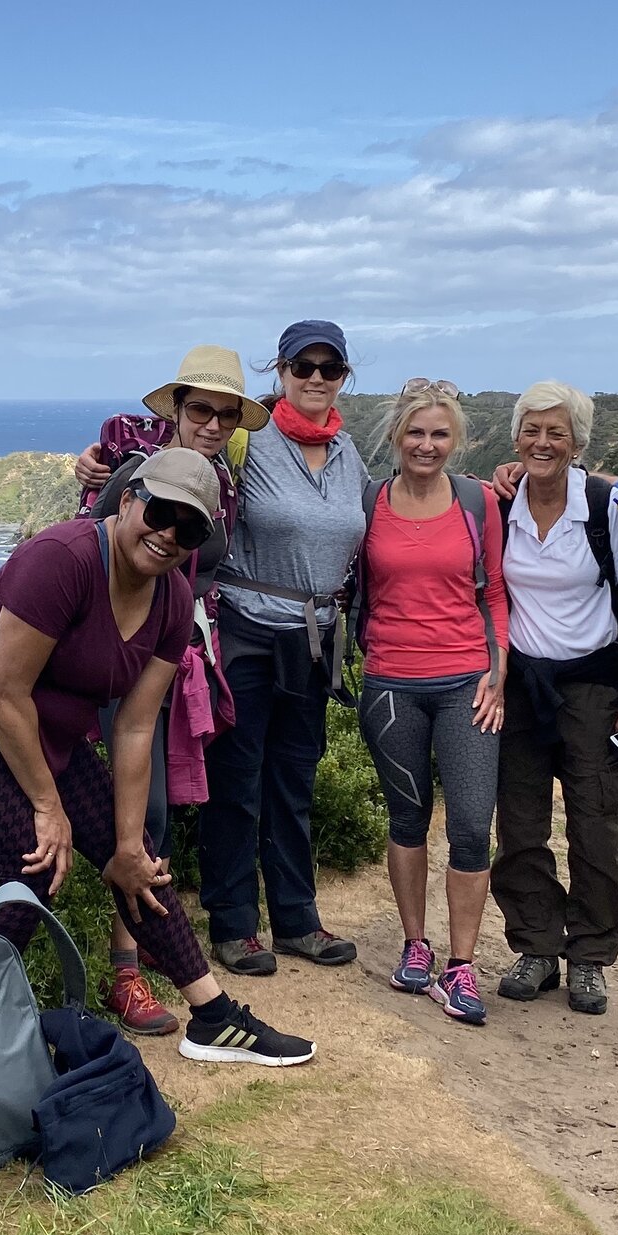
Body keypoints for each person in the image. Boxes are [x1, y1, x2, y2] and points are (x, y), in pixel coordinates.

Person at [0, 446, 315, 1067]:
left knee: (140, 863)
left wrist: (124, 848)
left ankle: (214, 1018)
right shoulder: (61, 560)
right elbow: (3, 694)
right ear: (128, 500)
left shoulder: (171, 602)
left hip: (43, 733)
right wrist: (47, 807)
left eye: (190, 527)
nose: (169, 534)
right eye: (161, 512)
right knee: (35, 859)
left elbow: (136, 730)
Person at [76, 345, 265, 1037]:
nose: (213, 423)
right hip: (114, 651)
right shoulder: (133, 458)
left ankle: (137, 952)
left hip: (173, 654)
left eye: (225, 414)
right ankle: (124, 970)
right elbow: (95, 527)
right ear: (178, 408)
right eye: (201, 409)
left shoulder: (224, 482)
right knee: (131, 805)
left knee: (153, 810)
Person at [199, 321, 366, 976]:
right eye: (305, 365)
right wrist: (98, 459)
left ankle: (297, 918)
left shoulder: (350, 453)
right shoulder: (246, 439)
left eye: (330, 367)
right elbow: (177, 447)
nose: (317, 377)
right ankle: (234, 922)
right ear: (282, 370)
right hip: (245, 629)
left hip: (313, 640)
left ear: (344, 376)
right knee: (236, 783)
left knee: (294, 779)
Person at [354, 379, 508, 1026]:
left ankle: (462, 962)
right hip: (391, 683)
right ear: (396, 436)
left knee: (472, 824)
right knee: (407, 818)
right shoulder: (371, 502)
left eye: (439, 433)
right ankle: (416, 944)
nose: (426, 443)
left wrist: (499, 674)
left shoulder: (477, 500)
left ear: (457, 440)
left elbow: (495, 592)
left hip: (467, 683)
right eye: (415, 432)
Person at [482, 381, 618, 1016]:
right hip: (521, 686)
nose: (543, 442)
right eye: (532, 430)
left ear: (578, 442)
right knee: (519, 823)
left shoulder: (607, 507)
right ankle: (538, 945)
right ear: (516, 436)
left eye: (557, 432)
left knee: (595, 822)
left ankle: (591, 955)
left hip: (593, 682)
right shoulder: (498, 504)